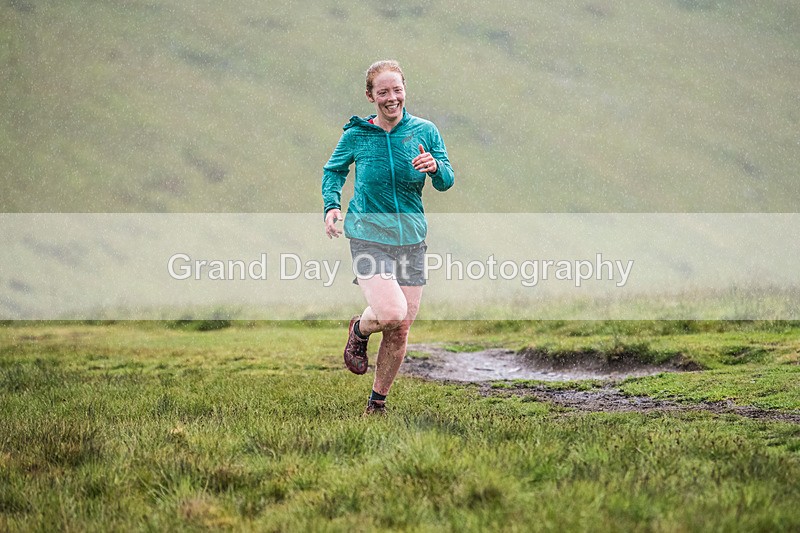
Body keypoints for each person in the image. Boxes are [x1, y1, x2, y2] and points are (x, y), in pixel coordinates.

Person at [321, 60, 454, 415]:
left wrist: (436, 168)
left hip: (411, 238)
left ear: (405, 90)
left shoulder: (425, 131)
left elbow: (446, 180)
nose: (392, 98)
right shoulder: (357, 135)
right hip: (368, 236)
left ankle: (376, 404)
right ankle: (360, 330)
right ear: (371, 96)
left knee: (400, 328)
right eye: (383, 92)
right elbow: (333, 171)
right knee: (393, 312)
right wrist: (331, 207)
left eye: (397, 90)